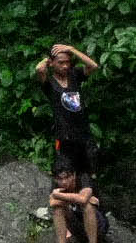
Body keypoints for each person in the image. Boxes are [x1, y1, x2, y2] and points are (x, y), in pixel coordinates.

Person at [36, 44, 101, 178]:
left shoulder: (74, 75)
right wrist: (46, 61)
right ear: (52, 63)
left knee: (88, 171)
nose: (65, 66)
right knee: (66, 172)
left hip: (83, 133)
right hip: (64, 135)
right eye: (61, 63)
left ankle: (88, 195)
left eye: (67, 62)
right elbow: (39, 69)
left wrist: (71, 49)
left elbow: (93, 66)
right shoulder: (49, 83)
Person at [48, 162, 109, 243]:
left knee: (88, 206)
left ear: (74, 175)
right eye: (60, 179)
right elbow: (52, 203)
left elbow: (84, 199)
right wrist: (77, 199)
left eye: (67, 177)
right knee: (57, 209)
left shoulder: (84, 179)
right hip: (77, 227)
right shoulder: (56, 185)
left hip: (98, 227)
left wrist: (60, 196)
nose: (64, 182)